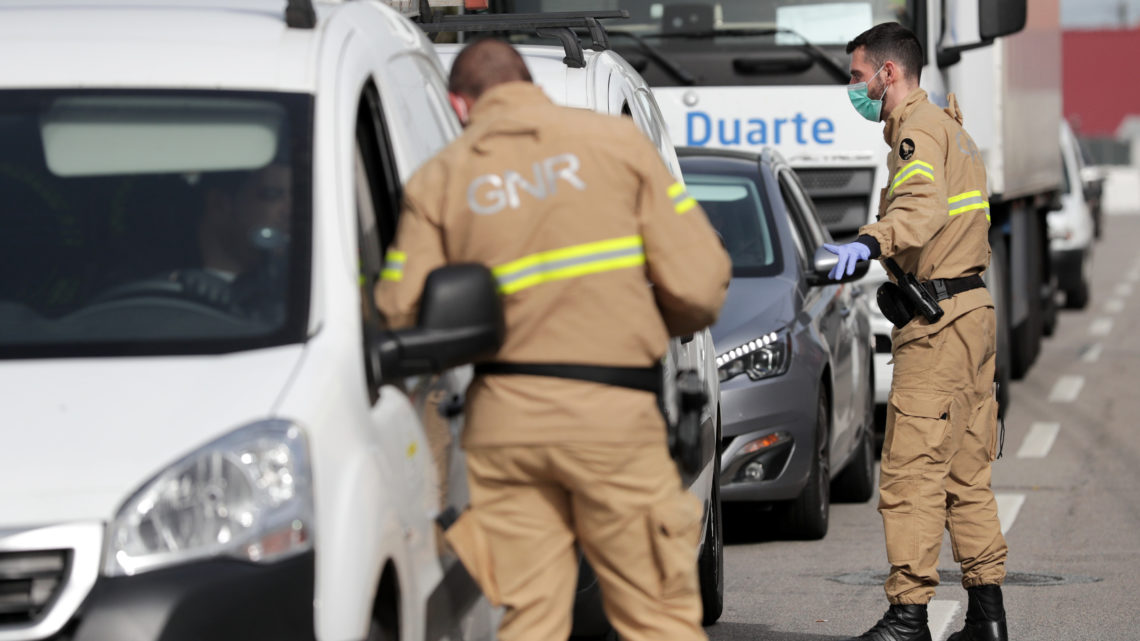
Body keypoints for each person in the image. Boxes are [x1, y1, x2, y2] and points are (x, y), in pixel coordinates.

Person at [375, 39, 730, 641]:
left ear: (460, 106)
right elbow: (700, 286)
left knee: (531, 617)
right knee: (656, 616)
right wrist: (633, 326)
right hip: (616, 417)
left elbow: (399, 311)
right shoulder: (618, 146)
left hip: (507, 427)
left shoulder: (440, 178)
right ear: (531, 88)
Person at [824, 23, 1009, 641]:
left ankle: (908, 617)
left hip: (938, 324)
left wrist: (868, 242)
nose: (853, 88)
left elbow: (919, 209)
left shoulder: (918, 132)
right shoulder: (952, 129)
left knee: (911, 471)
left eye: (856, 77)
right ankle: (986, 619)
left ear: (888, 74)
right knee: (965, 470)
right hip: (971, 316)